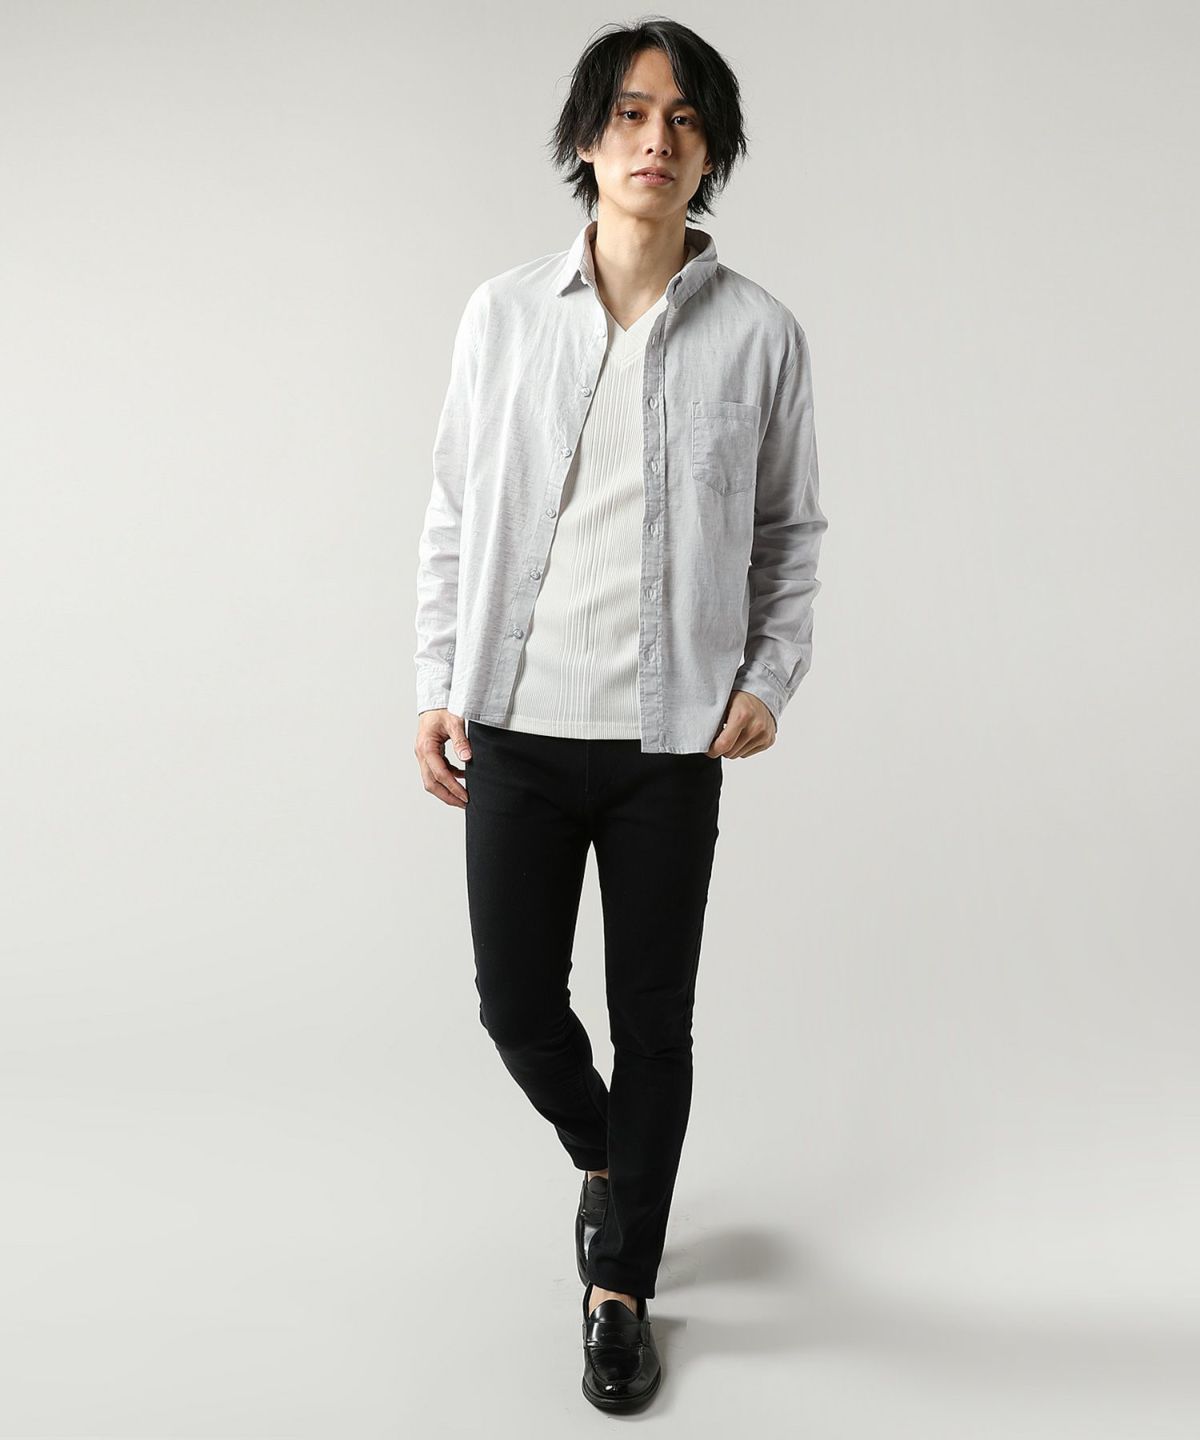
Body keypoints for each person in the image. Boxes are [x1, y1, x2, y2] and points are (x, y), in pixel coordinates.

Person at [413, 18, 827, 1414]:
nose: (658, 140)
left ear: (712, 152)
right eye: (633, 113)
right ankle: (613, 1161)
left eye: (686, 119)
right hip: (518, 727)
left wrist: (768, 677)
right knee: (517, 1005)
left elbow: (791, 532)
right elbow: (453, 512)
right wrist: (435, 682)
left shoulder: (760, 334)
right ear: (588, 138)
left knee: (655, 1021)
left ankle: (620, 1288)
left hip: (668, 746)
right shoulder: (501, 315)